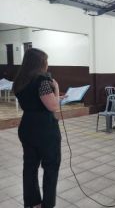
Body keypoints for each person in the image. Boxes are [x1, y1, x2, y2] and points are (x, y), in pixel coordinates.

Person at [13, 48, 61, 208]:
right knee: (51, 167)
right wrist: (56, 88)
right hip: (44, 129)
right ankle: (47, 204)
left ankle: (32, 203)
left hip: (27, 126)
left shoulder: (20, 80)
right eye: (46, 61)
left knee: (30, 167)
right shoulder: (42, 81)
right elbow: (53, 106)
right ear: (40, 63)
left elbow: (34, 101)